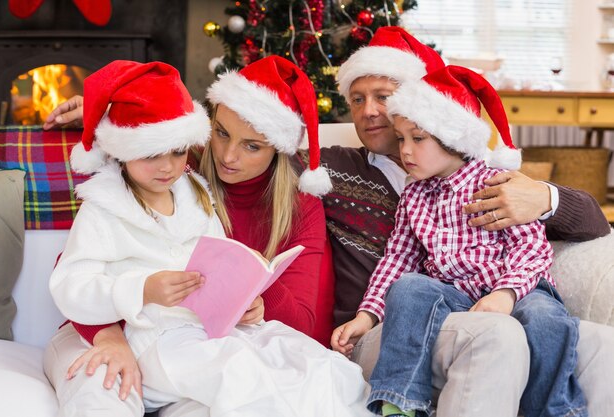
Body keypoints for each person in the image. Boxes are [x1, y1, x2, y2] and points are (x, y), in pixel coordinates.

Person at [44, 28, 614, 417]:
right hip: (397, 326)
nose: (369, 112)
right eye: (358, 96)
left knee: (599, 348)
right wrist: (110, 113)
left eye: (385, 97)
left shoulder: (480, 177)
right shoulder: (327, 170)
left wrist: (542, 197)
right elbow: (196, 145)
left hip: (480, 300)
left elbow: (590, 224)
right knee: (497, 337)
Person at [45, 58, 371, 417]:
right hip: (145, 333)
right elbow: (73, 275)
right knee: (236, 372)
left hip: (207, 332)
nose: (227, 157)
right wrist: (100, 115)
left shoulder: (197, 192)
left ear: (277, 148)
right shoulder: (184, 168)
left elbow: (298, 319)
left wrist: (253, 294)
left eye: (252, 146)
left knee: (313, 367)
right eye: (221, 133)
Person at [334, 64, 587, 417]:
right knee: (407, 287)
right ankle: (400, 402)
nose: (405, 150)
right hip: (453, 294)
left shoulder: (498, 182)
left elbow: (532, 250)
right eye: (401, 137)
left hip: (516, 290)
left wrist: (505, 293)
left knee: (549, 321)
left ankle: (553, 410)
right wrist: (367, 315)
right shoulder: (414, 194)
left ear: (453, 138)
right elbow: (397, 260)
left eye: (417, 139)